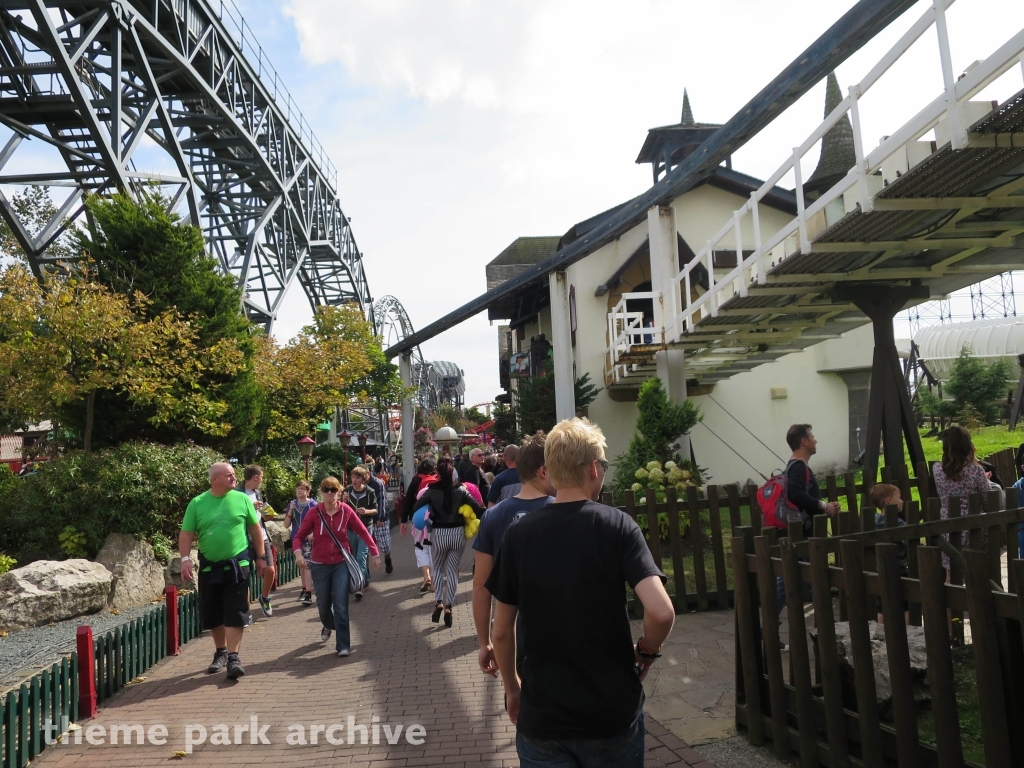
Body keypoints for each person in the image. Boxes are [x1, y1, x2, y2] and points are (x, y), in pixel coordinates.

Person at [486, 418, 675, 768]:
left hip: (543, 716)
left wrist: (513, 688)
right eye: (602, 464)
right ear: (592, 468)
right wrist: (647, 651)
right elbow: (661, 612)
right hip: (610, 714)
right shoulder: (618, 525)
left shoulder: (518, 535)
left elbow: (501, 629)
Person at [473, 432, 554, 676]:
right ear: (544, 470)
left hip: (509, 628)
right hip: (555, 626)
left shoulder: (493, 516)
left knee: (519, 699)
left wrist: (484, 641)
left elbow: (481, 587)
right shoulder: (560, 509)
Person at [179, 462, 265, 679]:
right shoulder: (197, 503)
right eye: (229, 475)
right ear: (215, 479)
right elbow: (187, 533)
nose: (234, 478)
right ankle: (221, 651)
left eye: (234, 475)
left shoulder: (242, 499)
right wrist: (185, 559)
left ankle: (234, 657)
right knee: (213, 611)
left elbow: (255, 529)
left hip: (238, 565)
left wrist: (261, 557)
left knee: (236, 610)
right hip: (210, 566)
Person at [292, 476, 380, 657]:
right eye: (326, 490)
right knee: (323, 605)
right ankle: (328, 624)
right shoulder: (315, 513)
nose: (330, 493)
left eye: (333, 490)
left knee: (340, 604)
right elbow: (299, 536)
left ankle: (343, 645)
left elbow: (363, 531)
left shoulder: (346, 511)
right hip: (319, 565)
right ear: (321, 492)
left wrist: (375, 552)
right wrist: (298, 553)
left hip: (340, 563)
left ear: (339, 492)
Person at [419, 455, 483, 627]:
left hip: (439, 533)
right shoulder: (461, 489)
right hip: (457, 534)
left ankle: (439, 601)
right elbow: (477, 508)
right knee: (453, 570)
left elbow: (417, 506)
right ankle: (449, 605)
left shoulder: (431, 489)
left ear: (438, 473)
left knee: (438, 569)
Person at [933, 426, 989, 570]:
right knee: (975, 569)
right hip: (973, 524)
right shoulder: (976, 470)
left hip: (947, 522)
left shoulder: (937, 469)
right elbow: (988, 499)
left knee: (951, 569)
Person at [240, 464, 277, 618]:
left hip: (262, 537)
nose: (262, 480)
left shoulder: (258, 492)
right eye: (261, 477)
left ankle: (264, 597)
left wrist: (267, 515)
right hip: (244, 539)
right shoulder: (236, 493)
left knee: (270, 570)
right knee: (244, 578)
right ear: (255, 477)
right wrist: (249, 507)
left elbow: (259, 516)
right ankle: (246, 611)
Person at [401, 456, 439, 593]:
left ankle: (426, 576)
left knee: (420, 547)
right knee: (433, 549)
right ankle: (434, 583)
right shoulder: (438, 479)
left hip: (418, 518)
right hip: (435, 519)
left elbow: (407, 501)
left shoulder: (417, 479)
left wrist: (403, 520)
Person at [343, 466, 377, 600]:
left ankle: (360, 586)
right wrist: (343, 501)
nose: (354, 480)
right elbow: (340, 508)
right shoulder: (347, 491)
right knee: (354, 555)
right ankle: (366, 579)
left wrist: (366, 511)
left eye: (357, 477)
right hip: (351, 529)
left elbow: (375, 510)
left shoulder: (370, 492)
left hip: (365, 528)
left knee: (360, 557)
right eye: (353, 477)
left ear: (363, 479)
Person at [283, 480, 317, 605]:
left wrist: (313, 533)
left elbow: (319, 522)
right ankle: (304, 589)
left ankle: (308, 593)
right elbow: (286, 525)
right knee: (301, 566)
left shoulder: (313, 505)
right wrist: (290, 511)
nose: (299, 490)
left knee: (307, 565)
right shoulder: (292, 504)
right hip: (296, 539)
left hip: (309, 540)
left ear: (308, 492)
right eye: (298, 488)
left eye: (302, 488)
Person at [368, 464, 394, 574]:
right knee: (365, 547)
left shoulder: (377, 483)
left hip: (380, 518)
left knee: (385, 545)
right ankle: (366, 572)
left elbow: (382, 501)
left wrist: (380, 518)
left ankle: (388, 559)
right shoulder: (358, 485)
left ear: (368, 473)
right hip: (366, 519)